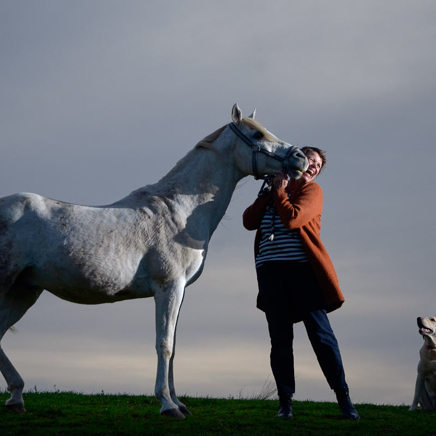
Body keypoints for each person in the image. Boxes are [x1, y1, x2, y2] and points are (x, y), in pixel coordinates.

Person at [242, 147, 359, 420]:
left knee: (321, 336)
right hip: (270, 272)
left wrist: (280, 192)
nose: (314, 167)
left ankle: (344, 399)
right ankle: (285, 403)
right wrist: (271, 191)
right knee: (280, 339)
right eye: (311, 161)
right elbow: (249, 222)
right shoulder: (275, 189)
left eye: (318, 165)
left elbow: (293, 219)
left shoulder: (312, 191)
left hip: (302, 272)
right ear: (297, 160)